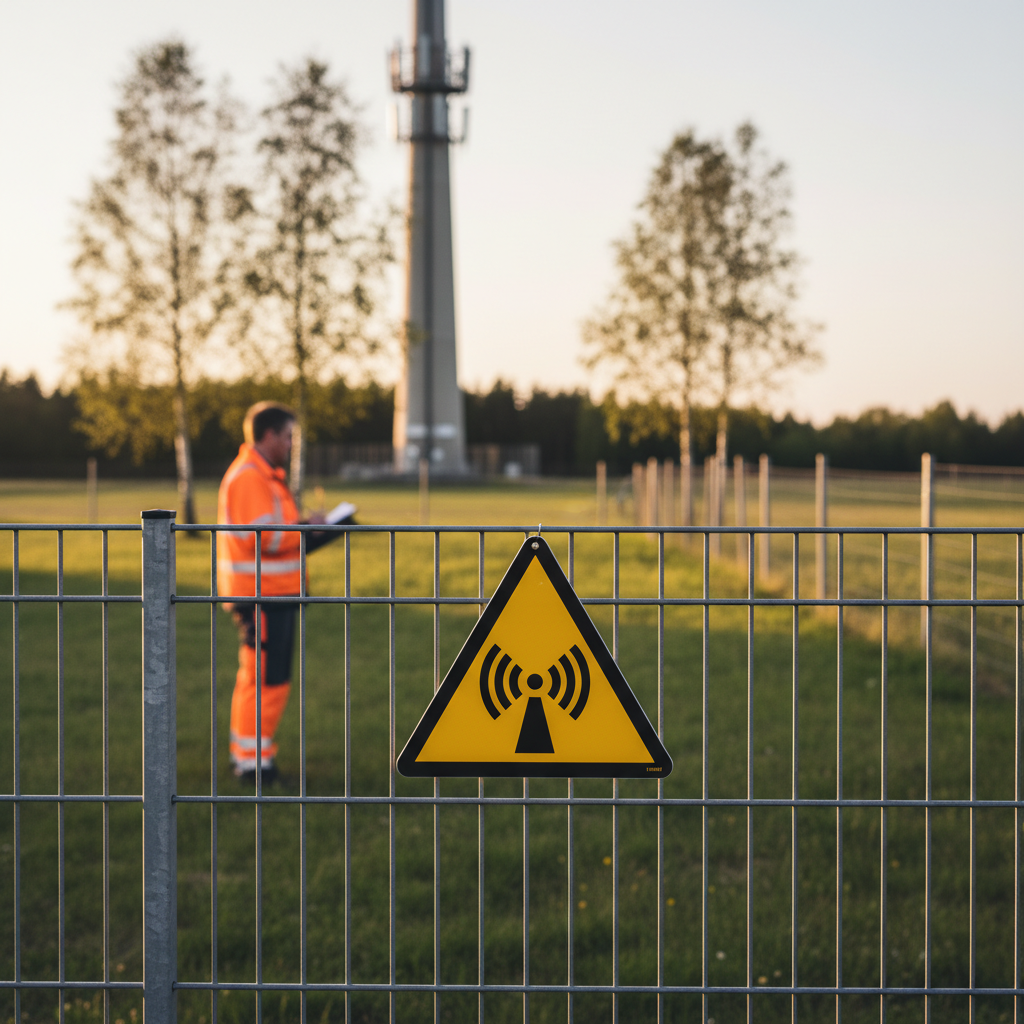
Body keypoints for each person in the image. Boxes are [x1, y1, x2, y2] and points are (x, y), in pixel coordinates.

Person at [216, 401, 326, 783]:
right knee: (265, 679)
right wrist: (306, 529)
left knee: (265, 678)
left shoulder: (265, 476)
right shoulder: (250, 477)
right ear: (269, 435)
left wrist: (307, 529)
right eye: (288, 435)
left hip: (273, 593)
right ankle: (251, 762)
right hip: (261, 596)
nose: (292, 443)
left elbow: (278, 534)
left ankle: (250, 753)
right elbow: (264, 536)